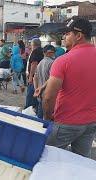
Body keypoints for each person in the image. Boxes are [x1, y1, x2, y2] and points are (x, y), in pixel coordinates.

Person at [43, 17, 96, 158]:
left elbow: (48, 98)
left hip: (66, 122)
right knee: (81, 161)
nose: (64, 37)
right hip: (91, 122)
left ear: (78, 36)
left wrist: (48, 117)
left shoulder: (63, 61)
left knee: (47, 158)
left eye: (67, 33)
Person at [33, 45, 56, 119]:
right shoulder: (52, 63)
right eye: (51, 52)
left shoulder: (40, 63)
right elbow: (52, 79)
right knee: (47, 119)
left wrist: (36, 89)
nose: (52, 54)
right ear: (45, 53)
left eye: (53, 52)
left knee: (40, 119)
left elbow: (35, 78)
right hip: (48, 95)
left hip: (40, 95)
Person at [25, 38, 43, 109]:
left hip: (34, 77)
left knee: (31, 93)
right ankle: (35, 107)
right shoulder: (41, 50)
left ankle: (29, 108)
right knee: (36, 92)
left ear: (33, 44)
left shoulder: (35, 51)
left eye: (31, 44)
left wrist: (30, 77)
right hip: (39, 76)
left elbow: (34, 64)